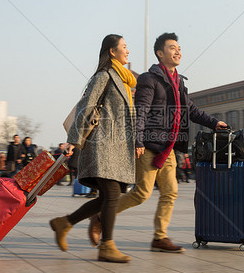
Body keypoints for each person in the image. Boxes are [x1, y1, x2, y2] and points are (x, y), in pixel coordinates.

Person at [89, 32, 228, 253]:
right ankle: (100, 217)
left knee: (171, 191)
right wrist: (138, 140)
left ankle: (159, 237)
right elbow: (141, 111)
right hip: (149, 146)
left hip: (169, 147)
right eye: (173, 47)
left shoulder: (179, 82)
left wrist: (214, 123)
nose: (178, 51)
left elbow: (190, 110)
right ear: (160, 53)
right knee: (141, 194)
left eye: (179, 47)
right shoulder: (149, 78)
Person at [49, 34, 136, 263]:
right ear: (111, 51)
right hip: (101, 147)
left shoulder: (124, 80)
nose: (128, 51)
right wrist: (74, 142)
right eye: (124, 47)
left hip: (116, 149)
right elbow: (86, 109)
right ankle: (107, 246)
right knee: (113, 195)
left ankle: (64, 223)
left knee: (109, 197)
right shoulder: (104, 76)